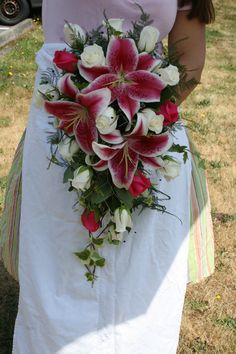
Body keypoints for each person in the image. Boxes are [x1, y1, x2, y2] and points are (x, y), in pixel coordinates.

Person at [12, 1, 215, 353]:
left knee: (138, 279)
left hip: (146, 137)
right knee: (59, 265)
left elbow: (189, 65)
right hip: (64, 124)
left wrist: (133, 119)